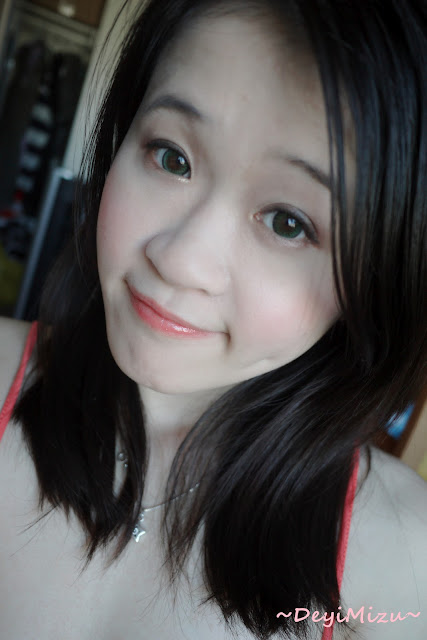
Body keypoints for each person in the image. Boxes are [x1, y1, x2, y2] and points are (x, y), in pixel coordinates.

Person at [0, 0, 426, 638]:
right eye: (171, 156)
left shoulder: (405, 561)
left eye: (288, 222)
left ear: (375, 281)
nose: (179, 260)